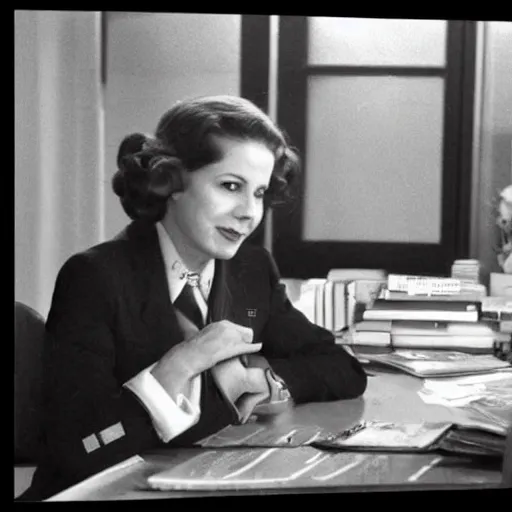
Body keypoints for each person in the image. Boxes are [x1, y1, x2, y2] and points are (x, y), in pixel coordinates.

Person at [20, 95, 367, 501]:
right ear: (171, 182)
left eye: (258, 193)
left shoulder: (251, 268)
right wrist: (183, 364)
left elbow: (342, 368)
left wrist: (257, 378)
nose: (249, 213)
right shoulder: (94, 278)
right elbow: (77, 450)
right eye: (230, 186)